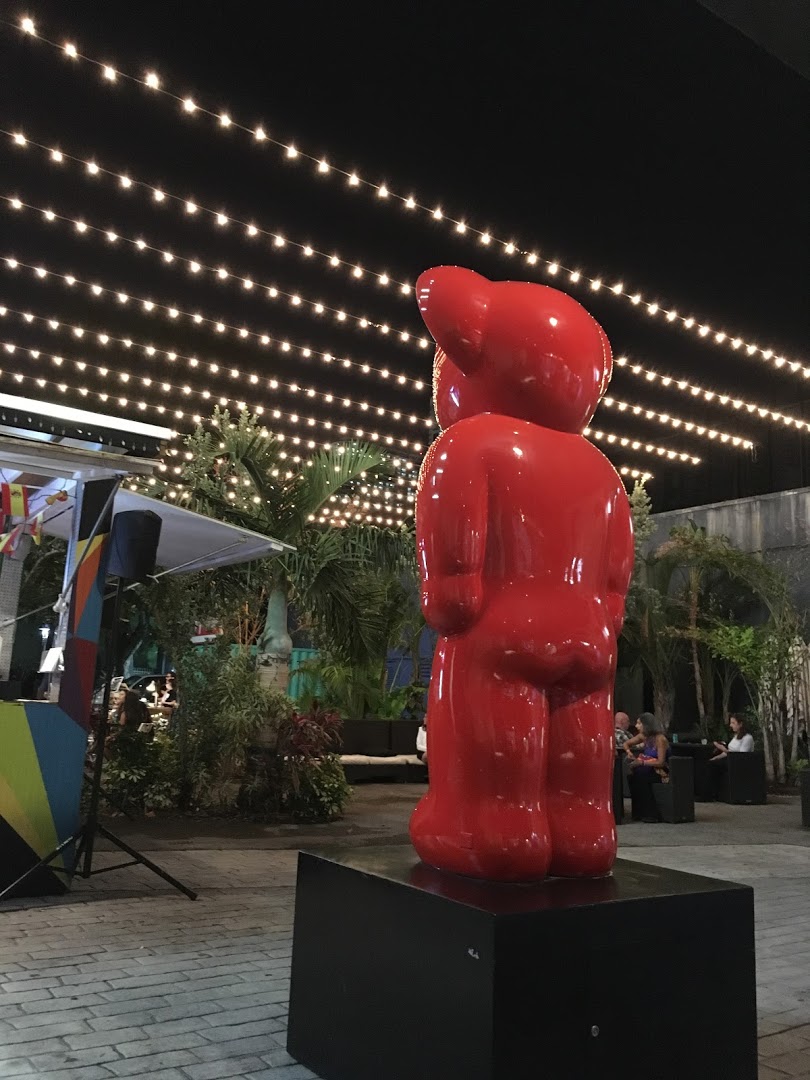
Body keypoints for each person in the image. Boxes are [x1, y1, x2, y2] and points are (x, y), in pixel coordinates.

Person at [625, 713, 669, 822]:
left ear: (647, 725)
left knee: (642, 778)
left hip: (660, 771)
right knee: (632, 777)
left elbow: (661, 762)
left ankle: (651, 814)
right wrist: (629, 752)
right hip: (648, 769)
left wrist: (642, 763)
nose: (636, 726)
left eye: (639, 723)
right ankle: (639, 812)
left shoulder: (660, 739)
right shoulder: (644, 737)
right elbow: (626, 743)